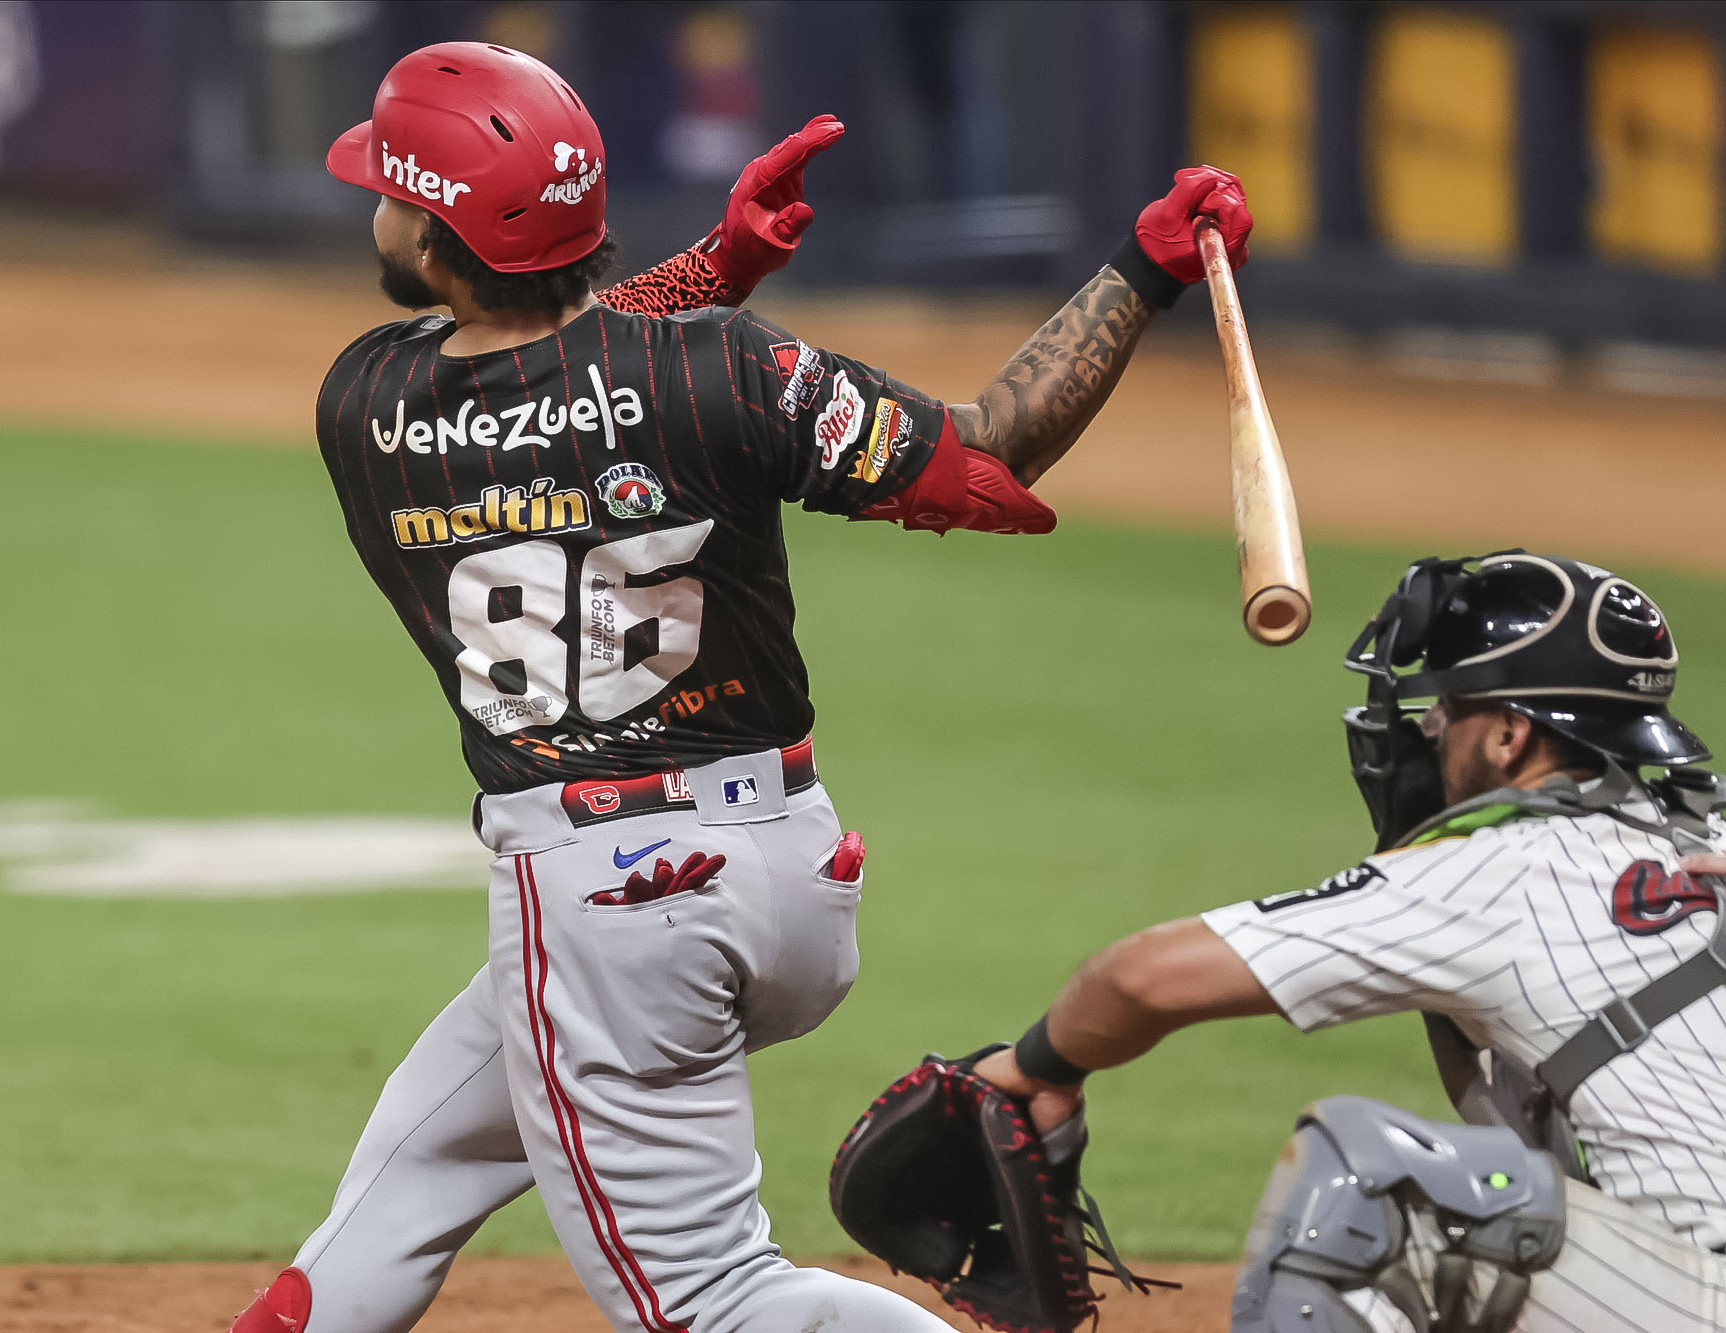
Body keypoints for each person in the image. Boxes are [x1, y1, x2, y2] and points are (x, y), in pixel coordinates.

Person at [226, 39, 1254, 1333]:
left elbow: (556, 380)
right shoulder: (723, 371)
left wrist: (717, 263)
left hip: (614, 905)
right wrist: (1142, 271)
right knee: (425, 1152)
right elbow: (993, 451)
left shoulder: (368, 401)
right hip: (788, 874)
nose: (375, 207)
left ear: (438, 244)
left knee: (706, 1300)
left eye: (391, 191)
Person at [970, 551, 1726, 1331]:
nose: (1430, 726)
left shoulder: (1501, 868)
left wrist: (1038, 1067)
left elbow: (1138, 978)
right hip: (1702, 1285)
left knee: (1372, 1183)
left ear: (1508, 736)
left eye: (1449, 703)